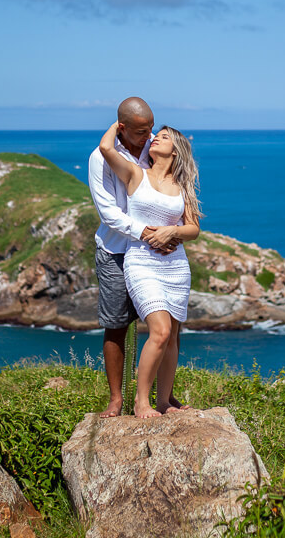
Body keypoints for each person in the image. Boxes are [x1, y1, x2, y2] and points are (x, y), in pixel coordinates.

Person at [99, 119, 202, 418]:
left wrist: (172, 232)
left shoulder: (182, 186)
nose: (155, 138)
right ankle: (141, 401)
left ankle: (164, 402)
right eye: (155, 135)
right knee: (160, 331)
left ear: (177, 151)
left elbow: (193, 229)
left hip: (176, 267)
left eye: (164, 137)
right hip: (141, 263)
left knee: (171, 337)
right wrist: (119, 123)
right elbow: (106, 148)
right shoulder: (135, 173)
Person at [87, 97, 182, 418]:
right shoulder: (100, 160)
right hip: (117, 249)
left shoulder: (150, 151)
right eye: (142, 131)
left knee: (165, 329)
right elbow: (109, 213)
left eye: (152, 129)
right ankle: (117, 399)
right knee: (117, 324)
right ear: (122, 128)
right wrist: (146, 233)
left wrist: (170, 234)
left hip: (155, 254)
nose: (150, 135)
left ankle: (162, 396)